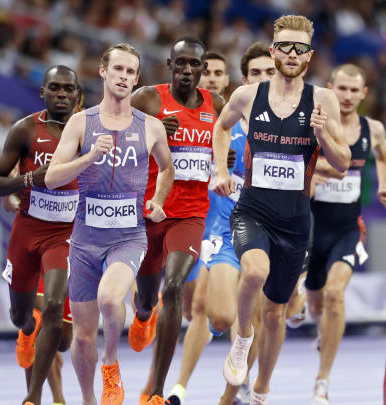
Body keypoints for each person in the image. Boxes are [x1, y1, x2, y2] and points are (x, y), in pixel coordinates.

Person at [212, 15, 351, 404]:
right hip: (253, 211)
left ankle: (262, 388)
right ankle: (242, 339)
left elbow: (341, 162)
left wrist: (323, 135)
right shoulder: (248, 96)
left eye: (300, 48)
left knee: (275, 312)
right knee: (254, 271)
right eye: (285, 46)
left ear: (309, 56)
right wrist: (221, 169)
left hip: (295, 223)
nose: (292, 54)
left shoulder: (322, 100)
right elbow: (221, 128)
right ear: (273, 50)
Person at [45, 42, 174, 405]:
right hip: (85, 241)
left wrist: (158, 200)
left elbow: (167, 168)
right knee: (83, 337)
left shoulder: (150, 126)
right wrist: (88, 157)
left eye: (131, 72)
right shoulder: (80, 122)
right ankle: (88, 398)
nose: (124, 77)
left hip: (129, 237)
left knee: (109, 297)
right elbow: (53, 177)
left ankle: (111, 362)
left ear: (136, 79)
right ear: (103, 72)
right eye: (118, 69)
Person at [165, 44, 274, 405]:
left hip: (265, 227)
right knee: (211, 312)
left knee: (256, 311)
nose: (209, 78)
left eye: (268, 73)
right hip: (215, 223)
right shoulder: (212, 119)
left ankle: (234, 393)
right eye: (255, 73)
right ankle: (180, 384)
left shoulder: (283, 120)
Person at [129, 36, 225, 405]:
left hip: (191, 213)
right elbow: (114, 139)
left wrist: (225, 161)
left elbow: (225, 147)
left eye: (194, 65)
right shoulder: (148, 100)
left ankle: (156, 391)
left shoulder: (216, 104)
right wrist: (148, 133)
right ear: (169, 64)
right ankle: (141, 314)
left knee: (173, 289)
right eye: (180, 63)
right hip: (151, 210)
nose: (187, 70)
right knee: (148, 296)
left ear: (202, 69)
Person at [0, 65, 82, 405]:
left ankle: (33, 398)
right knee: (22, 317)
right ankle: (27, 330)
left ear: (77, 95)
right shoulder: (25, 130)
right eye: (54, 87)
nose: (61, 94)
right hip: (27, 233)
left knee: (61, 331)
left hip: (65, 236)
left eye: (68, 89)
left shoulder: (90, 132)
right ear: (43, 92)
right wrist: (28, 181)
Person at [306, 64, 386, 405]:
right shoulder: (315, 123)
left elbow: (385, 156)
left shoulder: (373, 129)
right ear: (330, 88)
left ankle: (322, 381)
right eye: (340, 89)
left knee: (334, 295)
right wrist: (315, 177)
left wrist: (384, 186)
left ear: (363, 94)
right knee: (316, 306)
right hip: (313, 228)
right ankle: (322, 330)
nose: (345, 96)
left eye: (352, 90)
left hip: (348, 227)